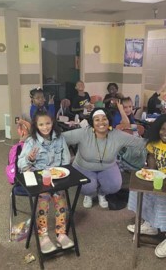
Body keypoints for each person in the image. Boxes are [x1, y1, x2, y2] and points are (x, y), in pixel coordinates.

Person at [63, 108, 145, 209]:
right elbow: (61, 138)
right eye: (97, 119)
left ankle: (102, 193)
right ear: (92, 122)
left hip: (108, 166)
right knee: (87, 187)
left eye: (104, 119)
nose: (101, 122)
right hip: (84, 167)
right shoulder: (83, 133)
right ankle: (88, 195)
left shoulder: (117, 135)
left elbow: (139, 143)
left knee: (114, 185)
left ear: (109, 121)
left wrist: (158, 138)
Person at [18, 111, 74, 254]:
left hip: (58, 178)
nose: (45, 127)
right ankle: (43, 236)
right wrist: (30, 159)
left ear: (52, 123)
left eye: (48, 123)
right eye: (41, 124)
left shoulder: (59, 138)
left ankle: (61, 234)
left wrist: (61, 172)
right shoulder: (31, 141)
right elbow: (21, 164)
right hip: (40, 179)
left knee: (61, 201)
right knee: (42, 202)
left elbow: (66, 160)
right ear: (36, 126)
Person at [127, 114, 166, 258]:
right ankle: (151, 224)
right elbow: (151, 160)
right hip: (159, 178)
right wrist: (149, 173)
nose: (165, 133)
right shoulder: (154, 142)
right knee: (140, 191)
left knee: (162, 199)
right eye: (162, 129)